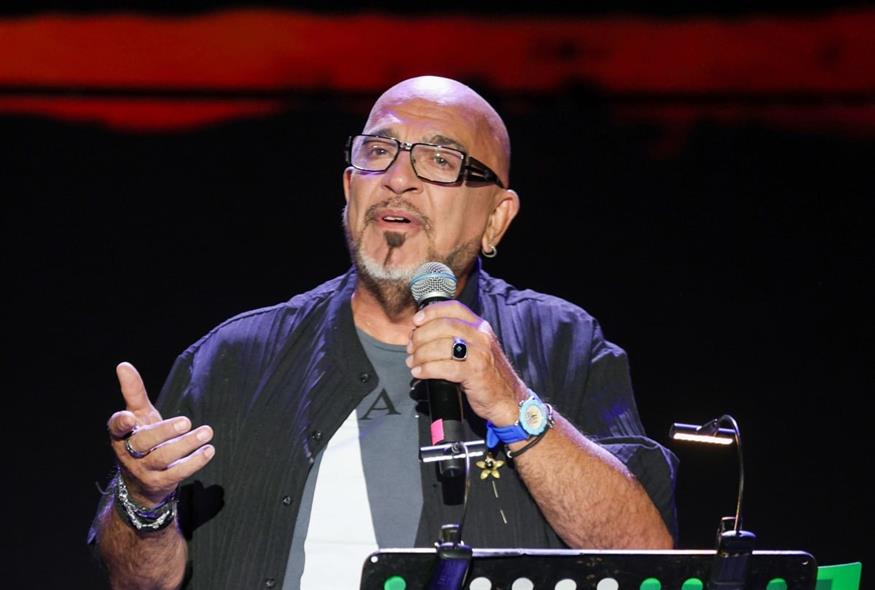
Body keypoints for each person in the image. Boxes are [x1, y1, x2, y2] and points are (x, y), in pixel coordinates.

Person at [89, 75, 678, 590]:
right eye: (379, 152)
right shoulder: (234, 361)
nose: (398, 179)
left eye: (440, 161)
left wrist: (513, 406)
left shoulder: (566, 346)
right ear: (350, 189)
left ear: (496, 218)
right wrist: (143, 503)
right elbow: (136, 582)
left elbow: (647, 558)